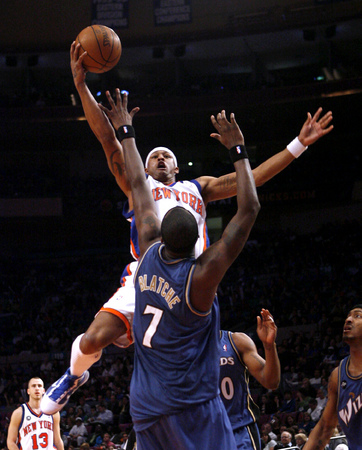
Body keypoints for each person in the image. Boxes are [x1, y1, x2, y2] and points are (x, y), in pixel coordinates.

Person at [40, 41, 334, 416]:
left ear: (178, 168)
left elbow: (252, 178)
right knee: (92, 340)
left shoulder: (199, 187)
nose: (160, 157)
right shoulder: (138, 186)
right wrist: (81, 87)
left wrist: (298, 145)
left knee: (187, 372)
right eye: (153, 156)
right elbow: (108, 139)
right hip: (146, 273)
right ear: (144, 168)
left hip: (191, 278)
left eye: (168, 156)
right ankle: (74, 376)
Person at [122, 93, 260, 447]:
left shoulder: (148, 253)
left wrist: (127, 131)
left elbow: (138, 183)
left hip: (145, 408)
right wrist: (238, 150)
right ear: (200, 240)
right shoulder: (202, 277)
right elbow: (248, 211)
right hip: (192, 406)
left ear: (159, 231)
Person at [219, 309, 280, 449]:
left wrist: (269, 346)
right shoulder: (181, 350)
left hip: (239, 429)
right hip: (203, 433)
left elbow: (271, 382)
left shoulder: (236, 341)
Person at [304, 304, 362, 450]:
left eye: (357, 316)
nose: (348, 319)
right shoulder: (338, 375)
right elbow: (325, 427)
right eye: (348, 316)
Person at [7, 376, 64, 450]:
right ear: (28, 391)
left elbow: (58, 440)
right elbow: (10, 441)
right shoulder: (19, 413)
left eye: (39, 386)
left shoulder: (53, 412)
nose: (37, 388)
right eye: (33, 386)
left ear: (43, 390)